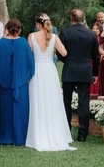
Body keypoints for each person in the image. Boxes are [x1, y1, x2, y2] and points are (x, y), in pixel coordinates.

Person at [26, 13, 75, 151]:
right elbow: (64, 53)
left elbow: (29, 53)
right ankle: (55, 131)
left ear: (37, 24)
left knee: (37, 100)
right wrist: (51, 51)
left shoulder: (31, 36)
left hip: (37, 70)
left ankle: (38, 132)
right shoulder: (54, 37)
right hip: (49, 70)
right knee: (52, 100)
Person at [59, 8, 100, 142]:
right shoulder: (92, 34)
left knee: (66, 101)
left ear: (72, 19)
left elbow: (60, 53)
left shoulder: (65, 32)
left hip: (70, 69)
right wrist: (95, 73)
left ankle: (66, 131)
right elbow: (96, 56)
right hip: (85, 69)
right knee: (83, 102)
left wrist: (68, 61)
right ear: (84, 19)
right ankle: (82, 133)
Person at [0, 18, 34, 145]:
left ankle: (5, 135)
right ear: (19, 29)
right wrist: (22, 77)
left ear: (7, 29)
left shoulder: (0, 43)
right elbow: (30, 63)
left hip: (5, 83)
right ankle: (20, 136)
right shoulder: (23, 43)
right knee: (21, 109)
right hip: (20, 84)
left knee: (5, 110)